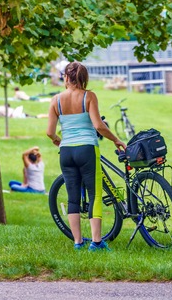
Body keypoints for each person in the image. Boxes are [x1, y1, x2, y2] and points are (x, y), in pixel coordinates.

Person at [46, 61, 126, 251]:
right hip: (87, 149)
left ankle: (78, 242)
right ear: (84, 78)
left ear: (66, 77)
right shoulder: (89, 96)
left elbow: (50, 132)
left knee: (73, 197)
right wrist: (116, 140)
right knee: (94, 195)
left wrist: (58, 140)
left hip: (66, 152)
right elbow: (98, 125)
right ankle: (97, 242)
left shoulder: (56, 100)